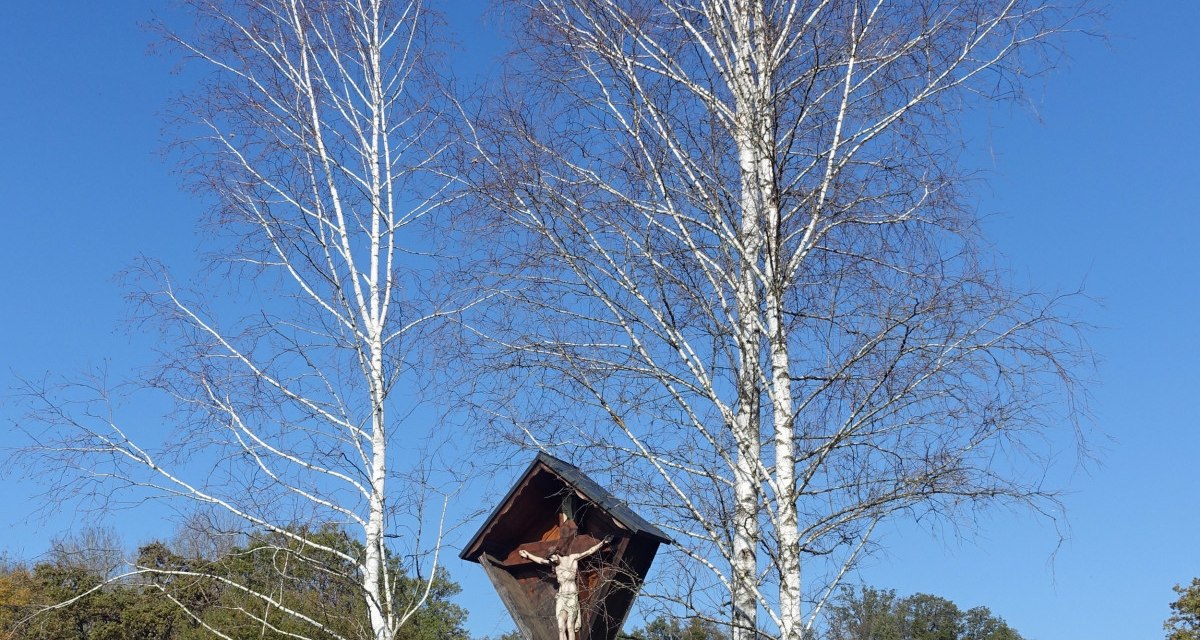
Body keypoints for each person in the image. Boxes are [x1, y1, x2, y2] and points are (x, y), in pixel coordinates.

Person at [519, 535, 612, 640]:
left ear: (557, 553)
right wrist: (528, 554)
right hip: (561, 597)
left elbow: (589, 551)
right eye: (550, 558)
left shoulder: (571, 559)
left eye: (553, 557)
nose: (552, 560)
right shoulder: (554, 565)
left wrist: (603, 543)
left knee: (570, 626)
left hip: (571, 597)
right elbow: (540, 560)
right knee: (561, 627)